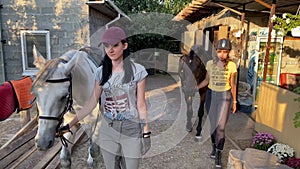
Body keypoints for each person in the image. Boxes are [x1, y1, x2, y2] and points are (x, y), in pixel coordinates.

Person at [58, 26, 151, 169]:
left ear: (124, 45)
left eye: (115, 45)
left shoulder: (138, 71)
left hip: (131, 128)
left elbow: (141, 105)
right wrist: (69, 125)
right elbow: (91, 103)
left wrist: (146, 133)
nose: (110, 50)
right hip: (108, 129)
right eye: (107, 46)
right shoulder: (100, 73)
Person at [198, 38, 237, 168]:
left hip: (225, 96)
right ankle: (214, 148)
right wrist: (195, 87)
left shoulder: (232, 66)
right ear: (216, 51)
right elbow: (206, 80)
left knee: (221, 127)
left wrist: (235, 101)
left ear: (228, 53)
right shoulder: (210, 64)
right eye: (219, 51)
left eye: (225, 52)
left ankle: (219, 155)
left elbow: (233, 84)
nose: (222, 54)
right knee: (213, 125)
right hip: (211, 95)